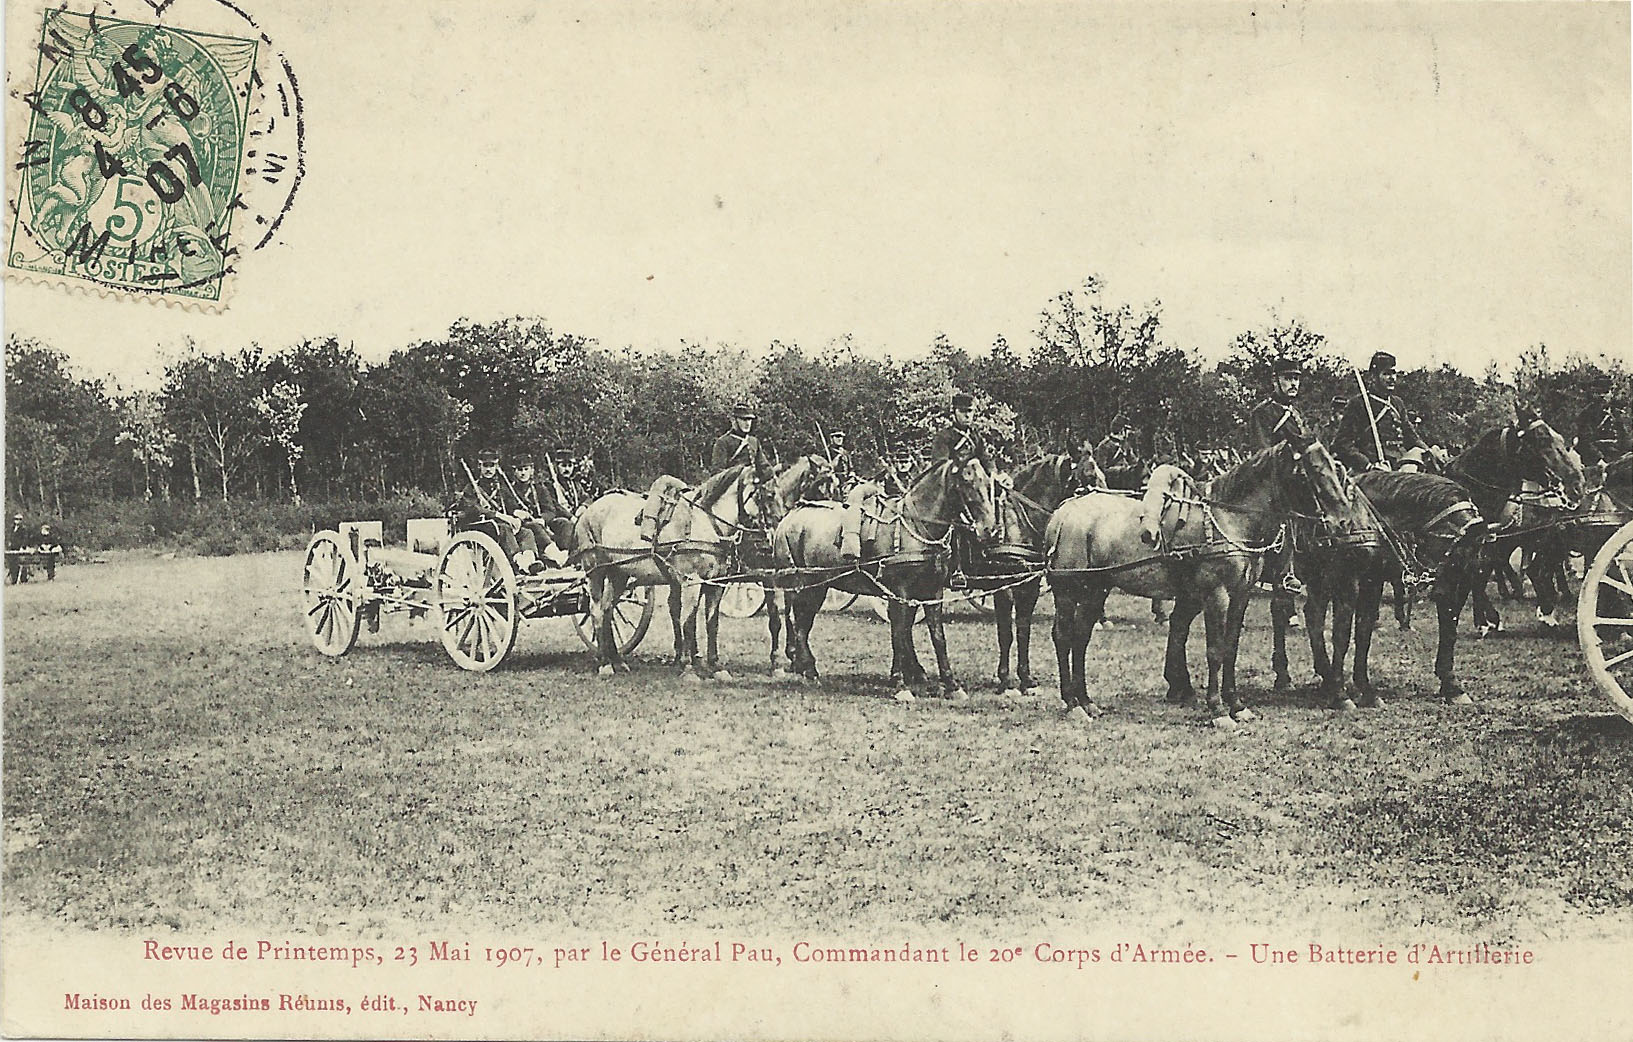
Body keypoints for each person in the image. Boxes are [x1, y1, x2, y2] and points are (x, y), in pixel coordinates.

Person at [929, 392, 992, 587]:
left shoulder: (976, 436)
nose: (968, 416)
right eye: (963, 412)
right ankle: (956, 568)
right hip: (952, 490)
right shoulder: (944, 436)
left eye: (971, 412)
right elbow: (939, 465)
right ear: (954, 413)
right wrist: (957, 469)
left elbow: (986, 459)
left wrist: (995, 474)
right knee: (959, 524)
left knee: (990, 511)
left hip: (973, 488)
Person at [452, 449, 543, 574]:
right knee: (504, 528)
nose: (488, 470)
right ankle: (519, 562)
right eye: (485, 466)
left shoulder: (500, 487)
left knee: (527, 532)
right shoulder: (471, 488)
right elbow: (475, 509)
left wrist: (516, 514)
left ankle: (529, 562)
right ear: (480, 466)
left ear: (496, 466)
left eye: (492, 465)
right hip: (482, 528)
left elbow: (511, 505)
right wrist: (500, 516)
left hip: (500, 527)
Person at [1333, 351, 1425, 470]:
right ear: (1373, 377)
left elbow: (1411, 436)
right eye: (1386, 374)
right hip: (1376, 466)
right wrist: (1367, 465)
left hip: (1401, 464)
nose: (1392, 378)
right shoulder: (1358, 404)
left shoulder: (1397, 403)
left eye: (1393, 373)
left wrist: (1429, 450)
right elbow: (1343, 442)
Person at [510, 453, 570, 566]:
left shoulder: (540, 489)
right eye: (519, 469)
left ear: (531, 470)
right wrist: (516, 513)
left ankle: (566, 553)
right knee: (534, 527)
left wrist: (542, 519)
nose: (523, 473)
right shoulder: (510, 490)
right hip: (523, 525)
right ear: (515, 472)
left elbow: (551, 510)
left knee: (564, 523)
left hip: (542, 522)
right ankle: (554, 554)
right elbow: (508, 509)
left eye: (526, 469)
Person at [1248, 357, 1309, 450]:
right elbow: (1262, 454)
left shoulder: (1297, 413)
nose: (1293, 384)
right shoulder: (1262, 412)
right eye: (1288, 378)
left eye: (1296, 379)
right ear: (1274, 381)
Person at [1576, 372, 1628, 467]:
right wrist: (1600, 461)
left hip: (1618, 459)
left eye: (1605, 392)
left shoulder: (1617, 414)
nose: (1602, 396)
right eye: (1598, 393)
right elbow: (1585, 442)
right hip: (1595, 461)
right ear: (1593, 393)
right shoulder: (1586, 415)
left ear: (1611, 393)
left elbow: (1624, 439)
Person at [711, 401, 773, 473]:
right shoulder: (723, 442)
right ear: (734, 420)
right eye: (744, 419)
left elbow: (764, 466)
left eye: (749, 419)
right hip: (734, 483)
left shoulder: (754, 441)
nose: (747, 423)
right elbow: (718, 473)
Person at [826, 428, 856, 493]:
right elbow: (827, 469)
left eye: (841, 437)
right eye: (837, 436)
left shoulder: (846, 453)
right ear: (831, 438)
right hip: (832, 480)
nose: (840, 439)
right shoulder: (827, 452)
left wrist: (850, 480)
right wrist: (838, 456)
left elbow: (851, 468)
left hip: (846, 480)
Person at [7, 514, 27, 584]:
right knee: (12, 563)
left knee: (21, 563)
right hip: (12, 548)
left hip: (20, 548)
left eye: (19, 519)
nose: (17, 521)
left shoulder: (23, 529)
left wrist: (22, 547)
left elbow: (25, 539)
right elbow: (10, 537)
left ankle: (23, 579)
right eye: (16, 519)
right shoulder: (12, 528)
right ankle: (14, 579)